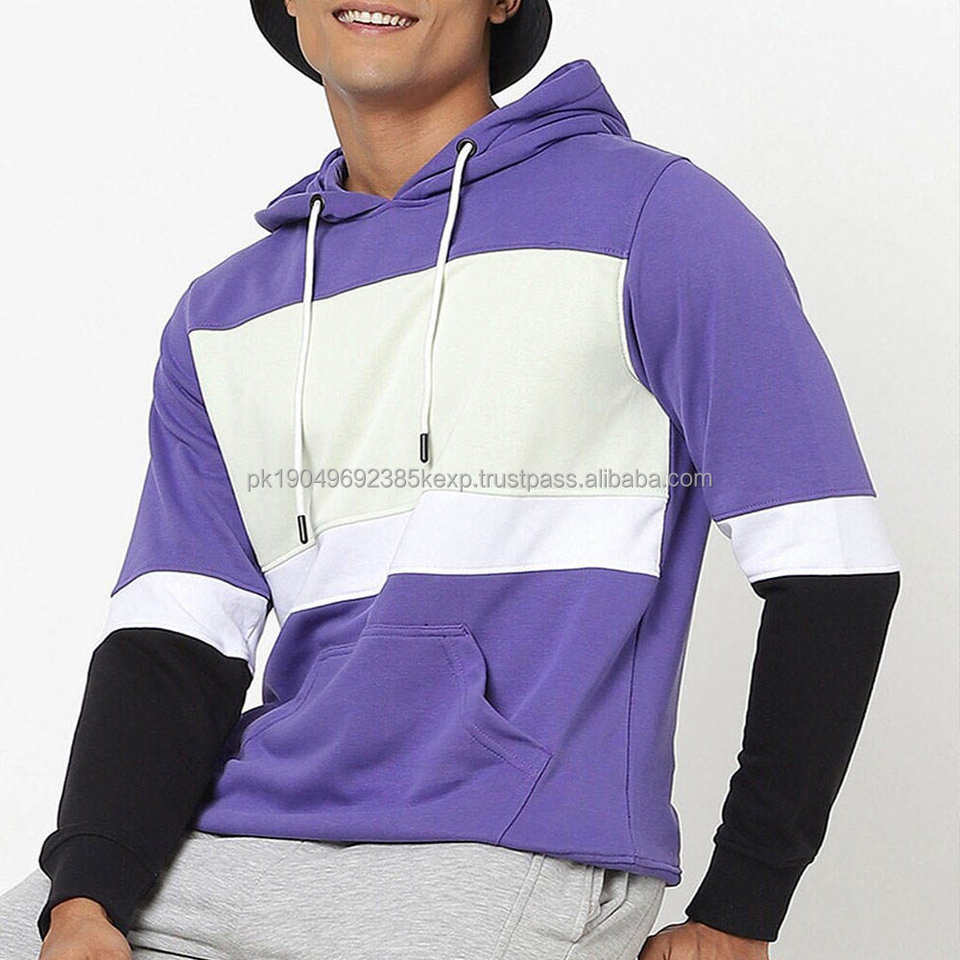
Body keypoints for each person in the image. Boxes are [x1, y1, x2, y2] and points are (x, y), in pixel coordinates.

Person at [0, 2, 901, 958]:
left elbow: (831, 564)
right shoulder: (222, 317)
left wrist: (741, 909)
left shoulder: (654, 219)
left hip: (502, 847)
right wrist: (85, 897)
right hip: (238, 837)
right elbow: (172, 642)